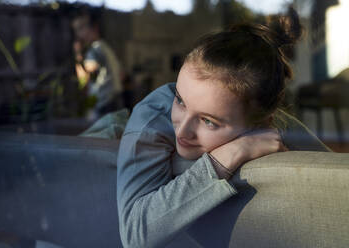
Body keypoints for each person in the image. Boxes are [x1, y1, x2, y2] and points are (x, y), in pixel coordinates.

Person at [117, 7, 330, 248]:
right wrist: (230, 154)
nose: (183, 130)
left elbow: (338, 178)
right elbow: (136, 235)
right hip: (114, 126)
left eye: (208, 121)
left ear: (260, 124)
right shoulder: (152, 119)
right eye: (180, 100)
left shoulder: (276, 123)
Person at [72, 11, 124, 120]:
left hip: (104, 104)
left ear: (94, 28)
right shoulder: (105, 47)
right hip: (114, 99)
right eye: (76, 30)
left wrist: (78, 55)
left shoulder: (95, 50)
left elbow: (84, 79)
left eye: (81, 28)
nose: (79, 34)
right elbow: (121, 74)